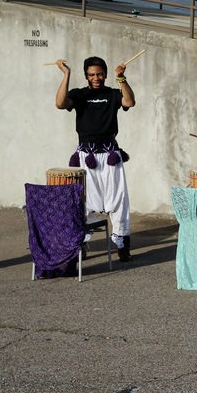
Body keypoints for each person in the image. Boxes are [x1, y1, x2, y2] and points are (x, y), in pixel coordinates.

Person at [55, 56, 135, 262]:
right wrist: (66, 74)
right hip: (86, 156)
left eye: (99, 74)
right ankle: (81, 243)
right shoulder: (79, 95)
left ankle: (122, 245)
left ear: (105, 74)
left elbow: (129, 101)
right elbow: (59, 103)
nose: (96, 78)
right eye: (91, 75)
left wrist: (121, 78)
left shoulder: (112, 94)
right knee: (85, 201)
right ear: (86, 76)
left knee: (118, 200)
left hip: (110, 156)